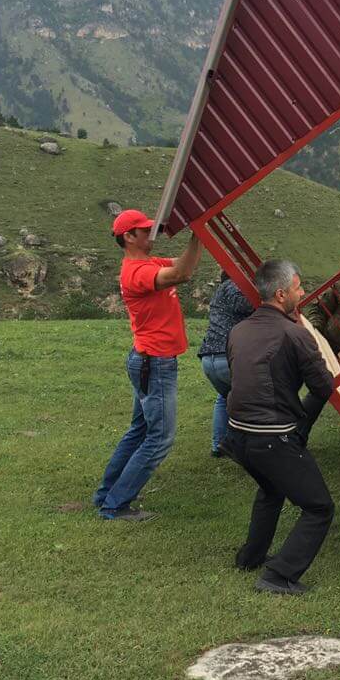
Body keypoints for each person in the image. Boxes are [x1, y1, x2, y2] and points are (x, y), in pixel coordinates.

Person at [226, 260, 336, 595]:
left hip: (236, 437)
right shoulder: (294, 333)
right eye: (298, 288)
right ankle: (278, 575)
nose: (302, 293)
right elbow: (323, 387)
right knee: (319, 507)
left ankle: (250, 557)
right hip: (270, 439)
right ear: (281, 293)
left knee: (272, 489)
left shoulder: (239, 330)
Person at [92, 209, 202, 521]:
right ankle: (115, 505)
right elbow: (179, 275)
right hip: (155, 363)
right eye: (144, 231)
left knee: (140, 430)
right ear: (129, 237)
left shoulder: (146, 263)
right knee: (160, 439)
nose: (151, 236)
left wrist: (199, 234)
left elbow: (185, 268)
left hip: (147, 360)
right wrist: (199, 231)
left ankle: (105, 495)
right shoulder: (136, 273)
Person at [197, 271, 254, 457]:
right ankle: (255, 447)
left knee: (224, 398)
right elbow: (245, 303)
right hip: (228, 357)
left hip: (209, 358)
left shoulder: (219, 293)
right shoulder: (233, 286)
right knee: (254, 399)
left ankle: (219, 445)